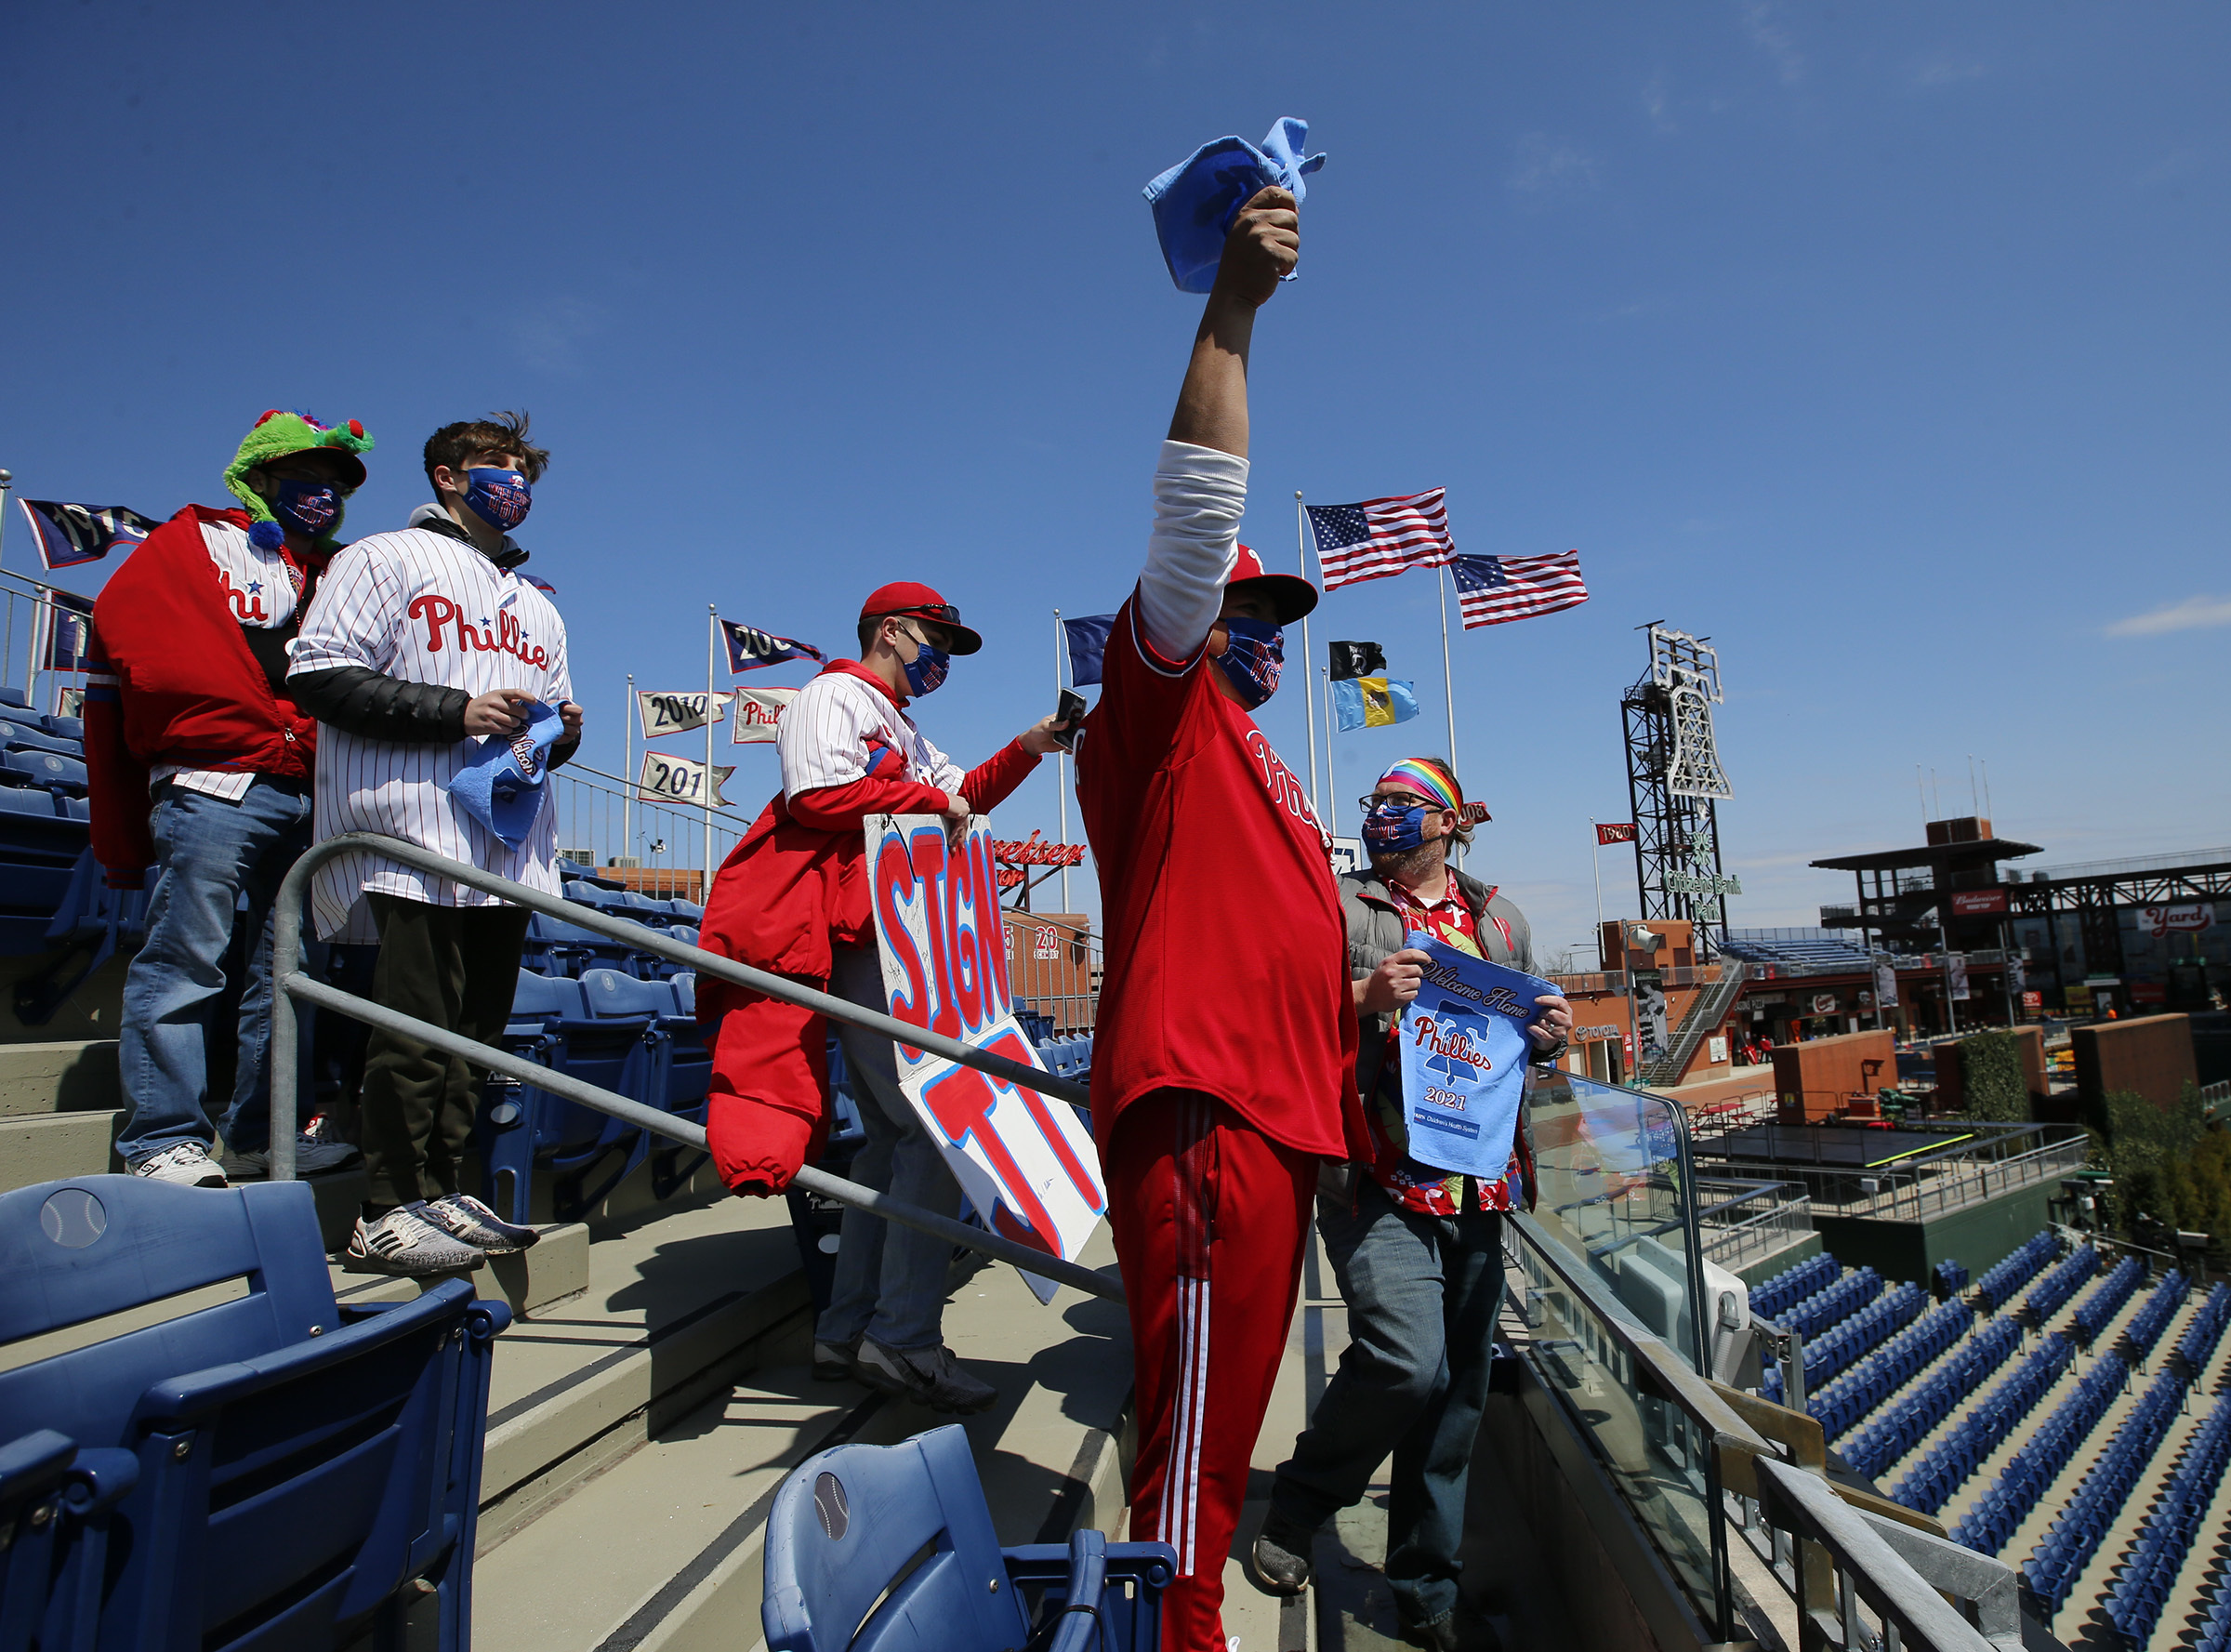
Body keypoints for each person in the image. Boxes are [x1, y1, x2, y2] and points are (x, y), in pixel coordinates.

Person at [1072, 183, 1365, 1652]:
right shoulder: (1162, 713)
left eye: (1275, 628)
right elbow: (1195, 525)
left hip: (1278, 1121)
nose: (1261, 640)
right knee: (1189, 1479)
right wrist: (1233, 313)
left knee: (1216, 1453)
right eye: (1248, 619)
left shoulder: (1265, 764)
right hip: (1206, 1110)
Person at [694, 583, 1070, 1412]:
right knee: (927, 1137)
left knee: (884, 1143)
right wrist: (934, 799)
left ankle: (845, 1327)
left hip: (890, 945)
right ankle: (902, 1337)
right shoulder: (832, 695)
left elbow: (963, 793)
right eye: (935, 637)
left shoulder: (902, 723)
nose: (941, 656)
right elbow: (818, 797)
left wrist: (1032, 745)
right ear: (891, 630)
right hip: (847, 941)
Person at [1252, 758, 1571, 1652]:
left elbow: (1524, 1038)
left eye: (1403, 805)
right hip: (1377, 1176)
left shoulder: (1501, 918)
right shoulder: (1342, 903)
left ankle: (1426, 1589)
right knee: (1404, 1360)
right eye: (1378, 805)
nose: (1385, 817)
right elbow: (1273, 1006)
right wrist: (1361, 995)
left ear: (1447, 823)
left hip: (1479, 1180)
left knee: (1455, 1397)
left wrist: (1550, 1036)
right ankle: (1303, 1502)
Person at [287, 411, 582, 1275]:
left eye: (524, 468)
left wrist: (559, 732)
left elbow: (556, 728)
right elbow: (318, 673)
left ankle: (443, 1187)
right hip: (409, 823)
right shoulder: (381, 557)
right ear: (448, 476)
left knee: (474, 1031)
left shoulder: (537, 604)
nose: (516, 481)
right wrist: (454, 711)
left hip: (509, 840)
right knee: (415, 1025)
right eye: (498, 464)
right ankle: (386, 1205)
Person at [86, 409, 376, 1187]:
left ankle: (263, 1133)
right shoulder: (192, 542)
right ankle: (159, 1138)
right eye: (305, 480)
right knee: (187, 957)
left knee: (289, 972)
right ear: (259, 478)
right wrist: (269, 714)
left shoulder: (339, 570)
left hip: (308, 790)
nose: (321, 496)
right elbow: (152, 650)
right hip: (216, 781)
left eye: (334, 485)